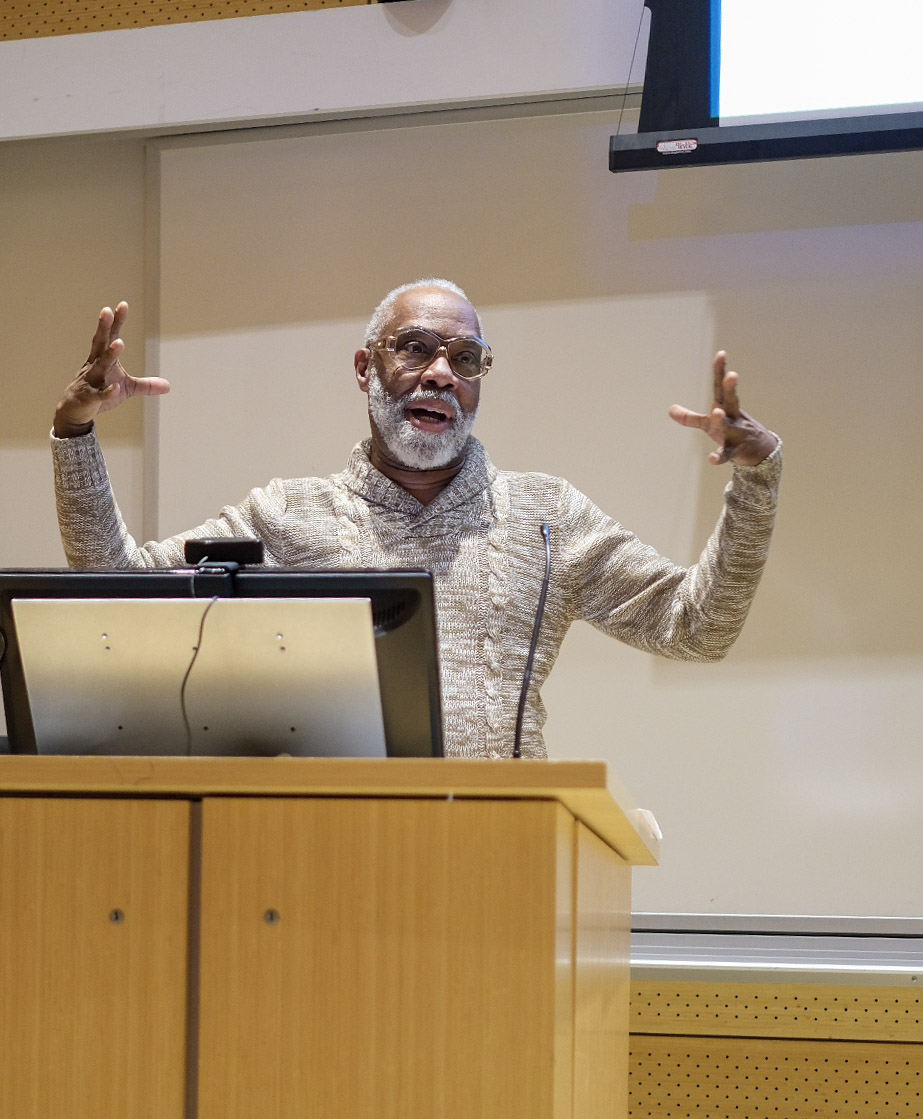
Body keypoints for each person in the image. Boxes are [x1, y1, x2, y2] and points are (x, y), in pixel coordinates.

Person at [52, 279, 781, 759]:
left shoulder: (545, 516)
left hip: (504, 853)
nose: (440, 373)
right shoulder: (287, 515)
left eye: (465, 359)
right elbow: (116, 586)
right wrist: (75, 432)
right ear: (364, 368)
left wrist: (755, 480)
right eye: (415, 348)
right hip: (333, 858)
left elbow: (697, 628)